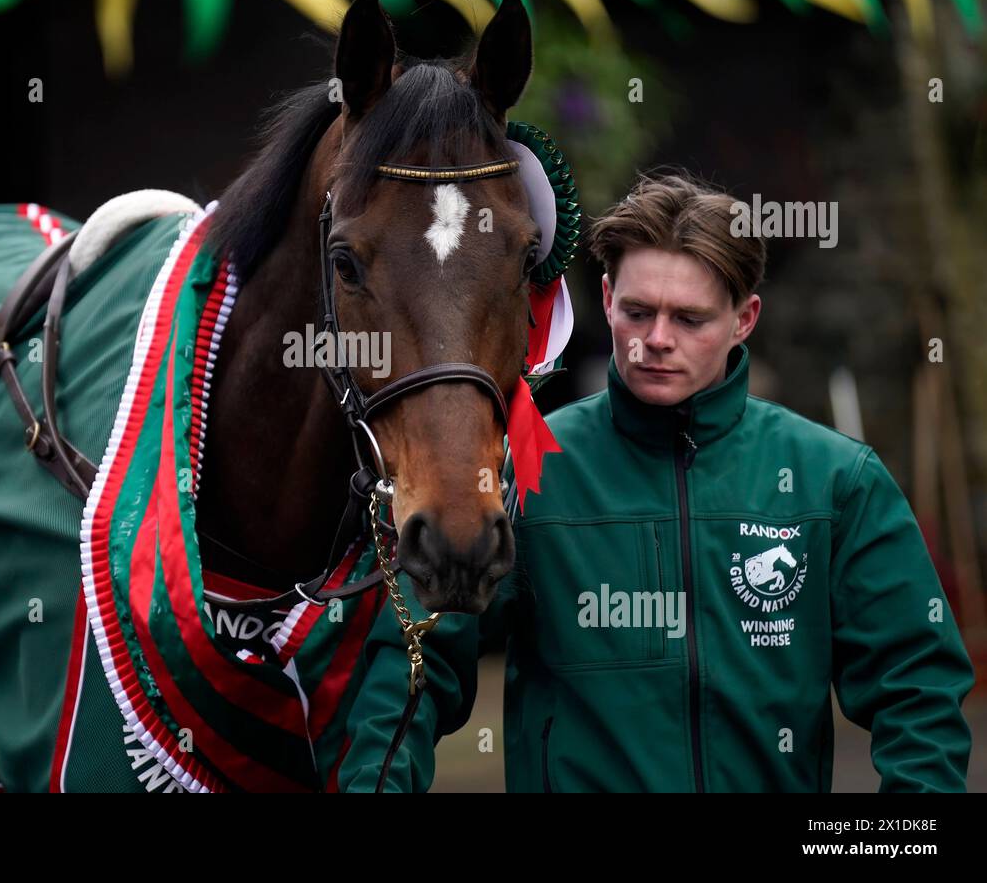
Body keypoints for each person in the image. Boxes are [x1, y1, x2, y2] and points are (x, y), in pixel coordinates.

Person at [339, 172, 975, 792]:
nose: (656, 341)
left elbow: (917, 687)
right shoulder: (525, 468)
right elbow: (412, 668)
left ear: (744, 318)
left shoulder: (836, 481)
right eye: (638, 312)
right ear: (608, 298)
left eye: (690, 319)